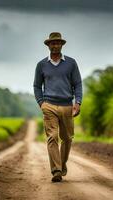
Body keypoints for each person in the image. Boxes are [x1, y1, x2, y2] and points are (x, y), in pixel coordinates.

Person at [33, 32, 83, 182]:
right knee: (52, 137)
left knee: (67, 139)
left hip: (67, 105)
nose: (55, 45)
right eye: (52, 43)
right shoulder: (41, 65)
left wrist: (78, 102)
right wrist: (41, 103)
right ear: (48, 45)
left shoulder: (71, 63)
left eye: (58, 43)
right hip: (49, 105)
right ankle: (56, 171)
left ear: (62, 45)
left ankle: (61, 164)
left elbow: (78, 84)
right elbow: (37, 86)